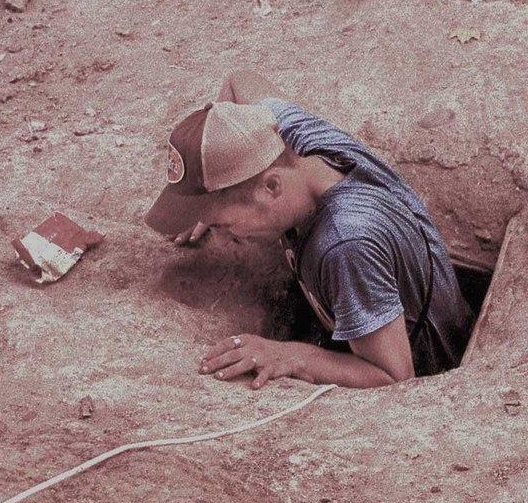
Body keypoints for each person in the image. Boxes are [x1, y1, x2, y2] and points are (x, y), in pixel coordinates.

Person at [143, 70, 474, 390]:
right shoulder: (284, 136)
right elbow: (238, 81)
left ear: (271, 187)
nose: (220, 237)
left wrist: (291, 355)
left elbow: (394, 376)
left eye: (222, 225)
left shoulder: (346, 245)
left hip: (426, 369)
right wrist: (213, 194)